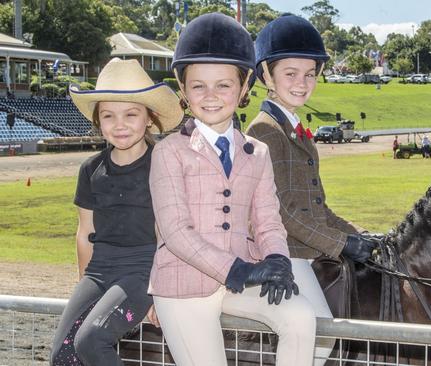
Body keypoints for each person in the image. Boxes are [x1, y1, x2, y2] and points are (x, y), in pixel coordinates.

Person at [148, 13, 314, 366]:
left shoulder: (258, 152)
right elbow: (176, 232)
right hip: (184, 286)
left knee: (301, 317)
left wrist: (278, 260)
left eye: (223, 85)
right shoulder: (168, 152)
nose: (211, 96)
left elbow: (269, 221)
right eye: (198, 86)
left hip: (241, 277)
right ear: (183, 89)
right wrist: (239, 270)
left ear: (243, 88)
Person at [245, 14, 377, 366]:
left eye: (310, 74)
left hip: (307, 248)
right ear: (266, 76)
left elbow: (319, 209)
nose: (302, 83)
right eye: (291, 74)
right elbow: (285, 212)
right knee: (321, 331)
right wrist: (342, 245)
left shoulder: (295, 129)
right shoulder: (266, 132)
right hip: (284, 251)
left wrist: (363, 235)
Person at [50, 58, 183, 366]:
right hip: (99, 271)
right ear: (98, 121)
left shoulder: (162, 164)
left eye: (130, 114)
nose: (119, 124)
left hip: (142, 270)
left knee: (92, 341)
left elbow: (168, 232)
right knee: (62, 356)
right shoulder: (90, 169)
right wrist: (85, 288)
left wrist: (158, 289)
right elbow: (85, 233)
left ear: (149, 118)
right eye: (109, 116)